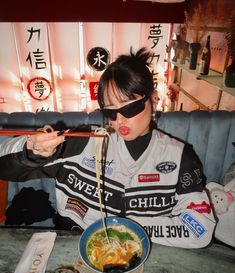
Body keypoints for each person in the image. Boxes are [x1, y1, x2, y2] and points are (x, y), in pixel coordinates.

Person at [0, 47, 215, 248]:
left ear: (153, 99)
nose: (119, 120)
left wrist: (127, 230)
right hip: (74, 249)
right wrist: (30, 151)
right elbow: (5, 167)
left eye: (130, 108)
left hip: (144, 254)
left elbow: (200, 228)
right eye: (110, 112)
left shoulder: (180, 157)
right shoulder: (84, 141)